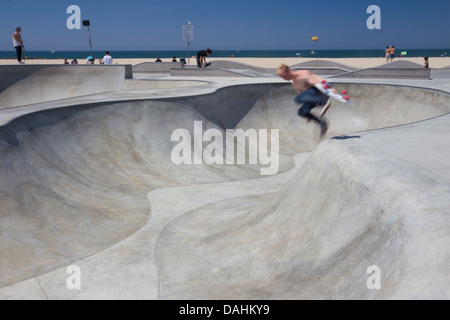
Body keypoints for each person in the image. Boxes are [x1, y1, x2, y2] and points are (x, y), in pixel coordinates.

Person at [277, 64, 334, 137]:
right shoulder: (294, 84)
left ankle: (323, 102)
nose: (284, 79)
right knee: (301, 112)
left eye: (284, 76)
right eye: (282, 78)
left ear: (288, 71)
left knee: (297, 99)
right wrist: (307, 114)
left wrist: (330, 90)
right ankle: (322, 123)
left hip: (321, 92)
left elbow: (317, 83)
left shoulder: (303, 75)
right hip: (314, 97)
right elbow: (303, 96)